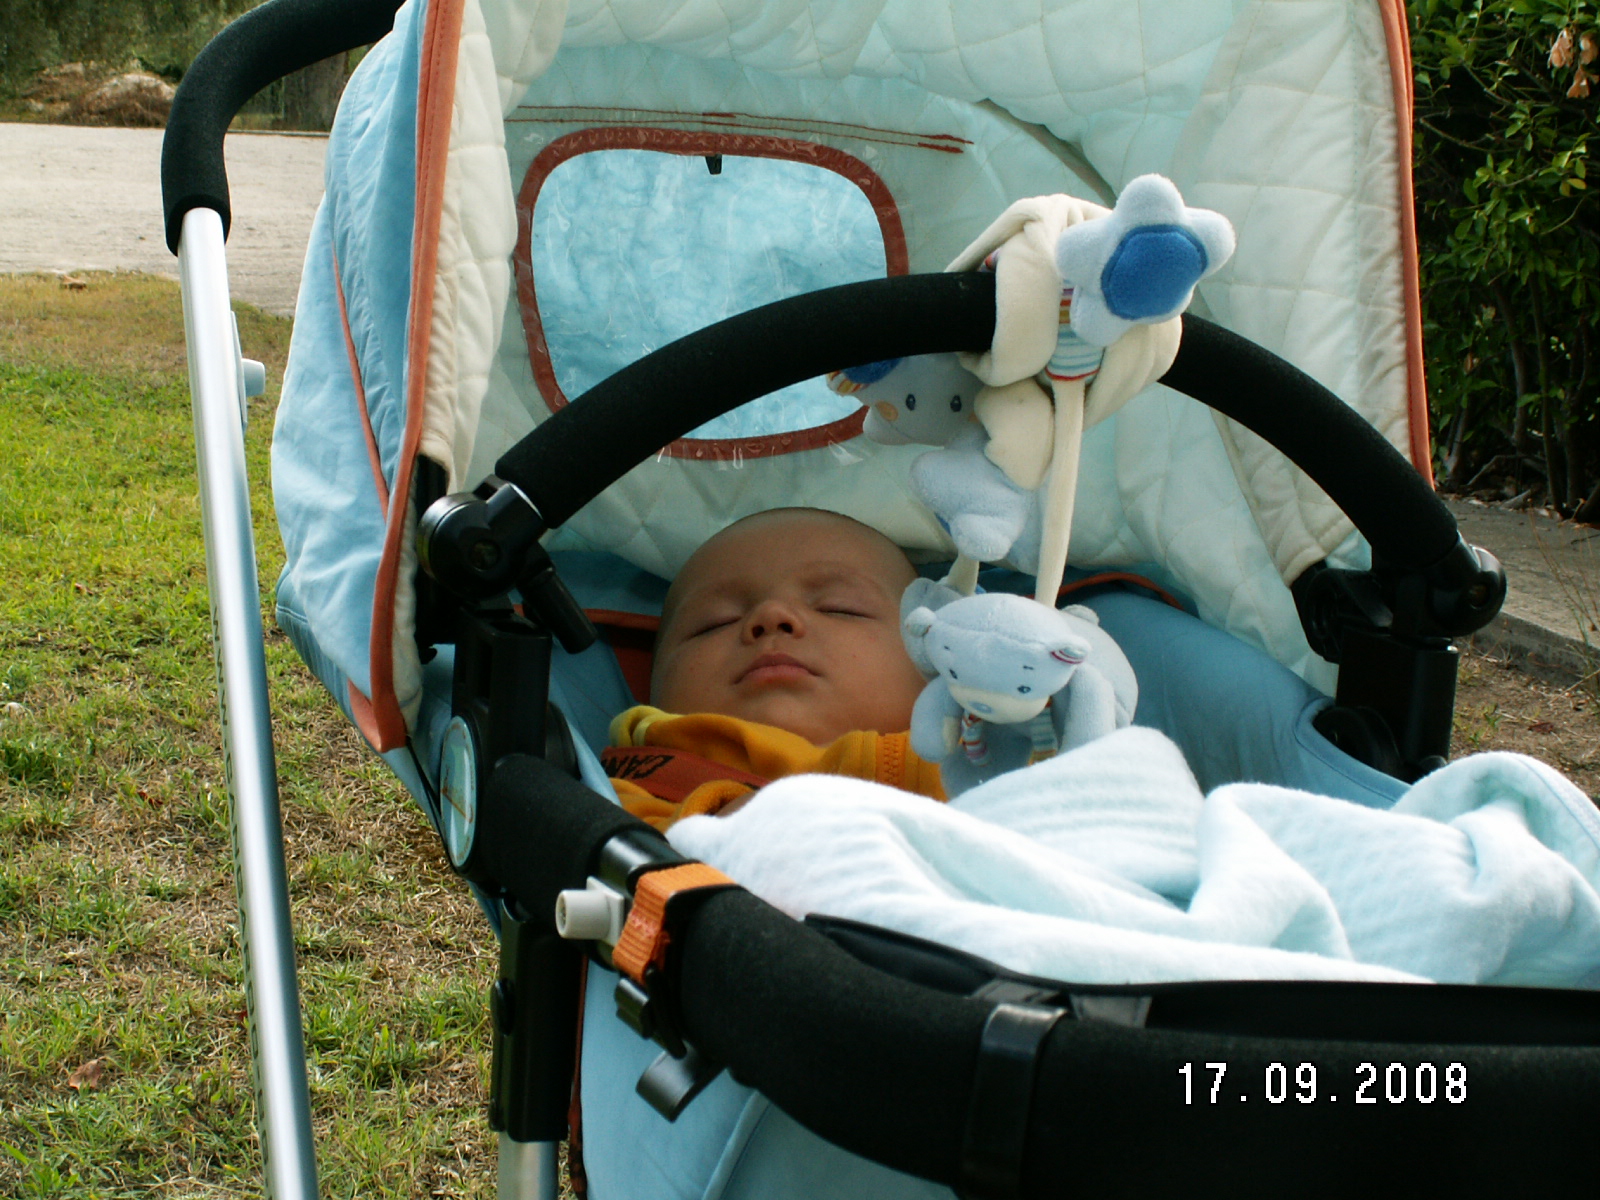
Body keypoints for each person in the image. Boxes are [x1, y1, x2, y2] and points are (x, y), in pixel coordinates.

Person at [605, 508, 945, 828]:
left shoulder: (969, 759)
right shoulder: (619, 797)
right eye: (715, 622)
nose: (771, 615)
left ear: (937, 664)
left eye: (839, 608)